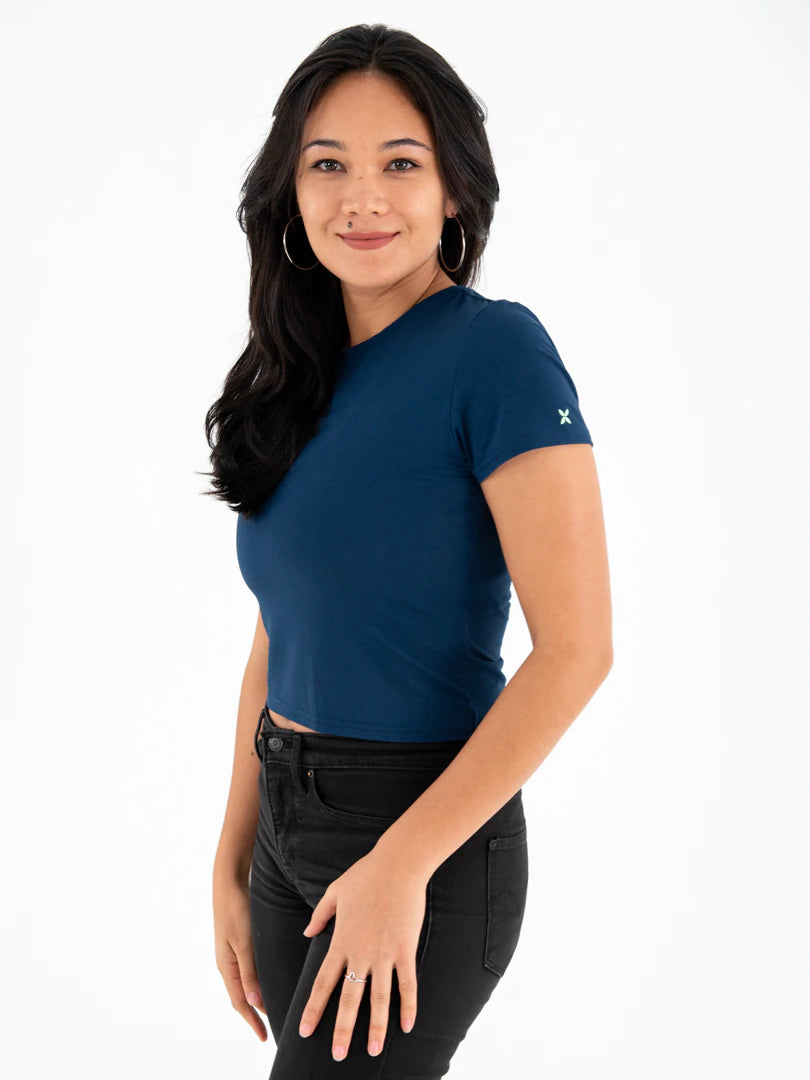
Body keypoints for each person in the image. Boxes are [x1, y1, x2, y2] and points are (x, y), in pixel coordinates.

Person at [205, 22, 612, 1079]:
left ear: (455, 192)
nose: (362, 198)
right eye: (327, 165)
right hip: (286, 824)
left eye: (400, 164)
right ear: (290, 191)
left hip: (422, 832)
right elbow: (280, 630)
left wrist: (402, 864)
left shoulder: (497, 352)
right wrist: (232, 853)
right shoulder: (296, 376)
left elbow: (578, 652)